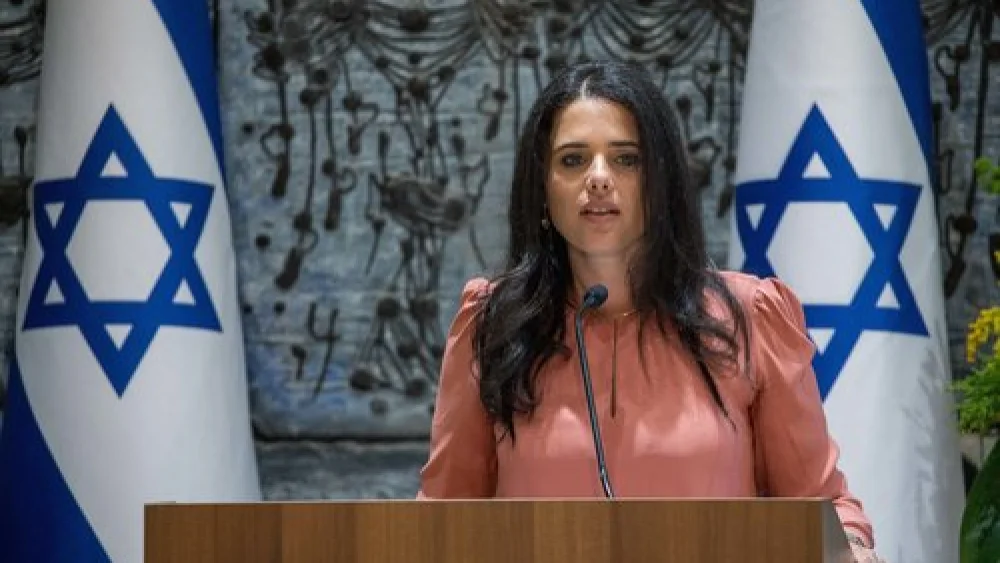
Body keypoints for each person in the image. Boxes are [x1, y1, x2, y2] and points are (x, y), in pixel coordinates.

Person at [417, 60, 884, 563]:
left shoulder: (749, 320)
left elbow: (824, 507)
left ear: (660, 182)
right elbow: (441, 522)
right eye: (573, 160)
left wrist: (854, 552)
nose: (599, 178)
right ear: (543, 190)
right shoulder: (493, 325)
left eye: (626, 159)